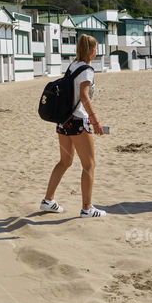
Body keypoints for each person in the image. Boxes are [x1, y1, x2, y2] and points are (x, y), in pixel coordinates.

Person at [41, 34, 107, 218]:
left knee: (65, 161)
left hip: (64, 120)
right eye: (95, 49)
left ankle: (48, 200)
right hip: (78, 121)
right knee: (89, 165)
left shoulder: (73, 66)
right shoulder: (87, 70)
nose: (96, 52)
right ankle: (87, 208)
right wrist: (95, 121)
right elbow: (84, 97)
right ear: (92, 50)